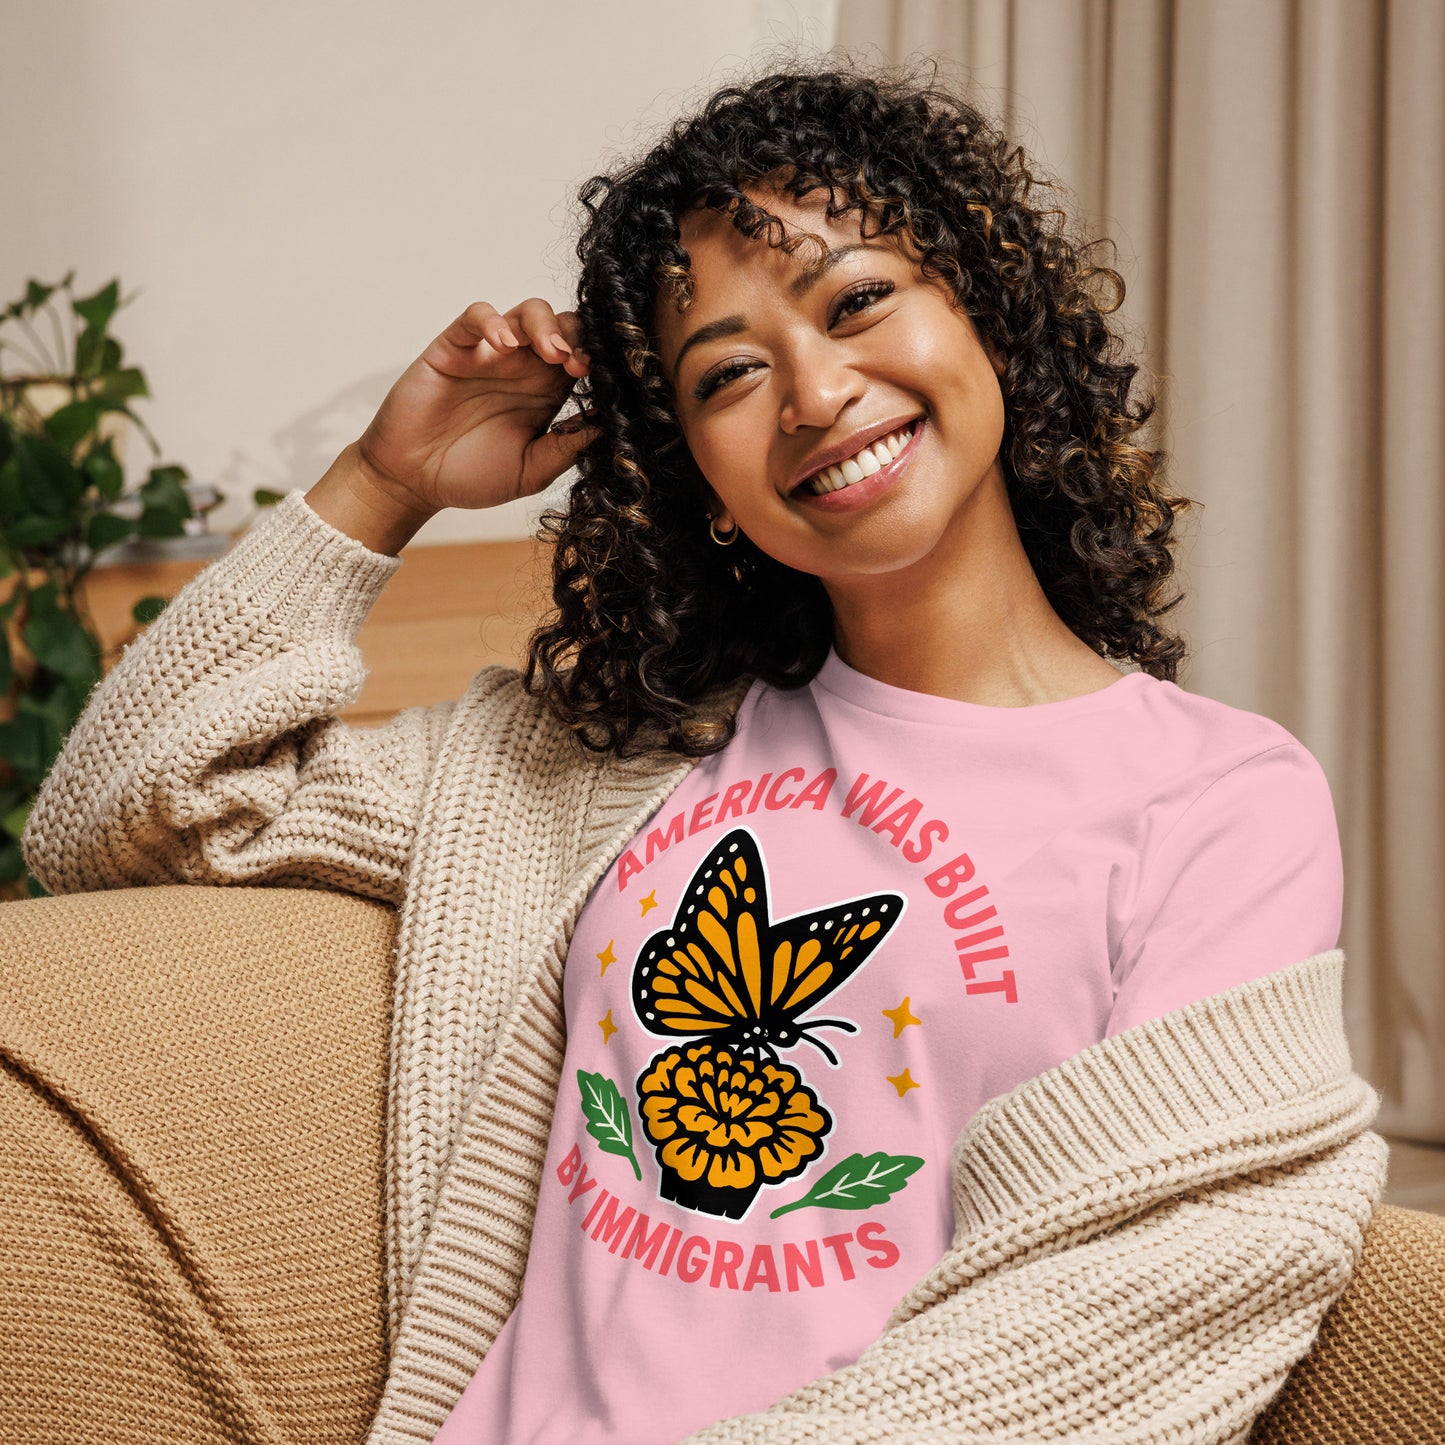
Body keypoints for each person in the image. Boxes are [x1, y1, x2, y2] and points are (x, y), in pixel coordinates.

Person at [15, 60, 1385, 1445]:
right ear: (702, 481)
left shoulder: (1214, 799)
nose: (812, 390)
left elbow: (1132, 1303)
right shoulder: (613, 760)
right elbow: (127, 812)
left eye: (857, 300)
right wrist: (383, 483)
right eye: (728, 371)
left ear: (987, 315)